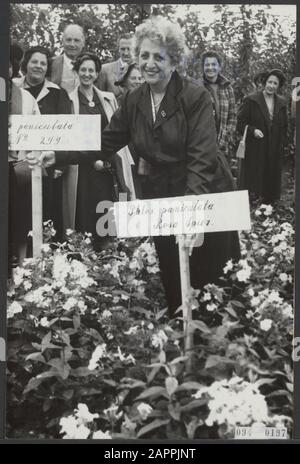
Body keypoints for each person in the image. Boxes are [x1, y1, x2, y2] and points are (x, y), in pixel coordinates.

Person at [30, 16, 240, 317]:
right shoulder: (132, 99)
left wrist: (192, 209)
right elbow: (104, 142)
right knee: (172, 269)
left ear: (174, 60)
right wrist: (58, 154)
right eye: (144, 55)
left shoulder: (195, 96)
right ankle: (180, 335)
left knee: (212, 278)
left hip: (205, 189)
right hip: (162, 190)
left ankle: (218, 346)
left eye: (159, 56)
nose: (150, 63)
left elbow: (201, 157)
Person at [50, 52, 135, 249]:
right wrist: (92, 160)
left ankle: (109, 257)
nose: (87, 74)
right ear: (77, 72)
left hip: (108, 167)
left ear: (97, 74)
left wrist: (105, 160)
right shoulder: (68, 100)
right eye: (83, 70)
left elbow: (115, 133)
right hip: (82, 170)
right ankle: (84, 256)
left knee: (108, 212)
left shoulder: (108, 98)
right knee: (84, 213)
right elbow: (69, 138)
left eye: (91, 70)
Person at [13, 46, 71, 245]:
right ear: (26, 64)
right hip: (16, 165)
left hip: (47, 166)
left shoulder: (57, 93)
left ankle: (45, 258)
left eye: (43, 63)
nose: (38, 66)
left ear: (47, 68)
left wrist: (60, 164)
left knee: (46, 212)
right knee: (18, 214)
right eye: (34, 62)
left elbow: (65, 130)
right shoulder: (14, 89)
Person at [9, 44, 40, 265]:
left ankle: (20, 268)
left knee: (20, 221)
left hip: (16, 168)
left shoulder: (26, 98)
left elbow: (37, 132)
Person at [237, 68, 288, 203]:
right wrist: (253, 131)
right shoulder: (252, 100)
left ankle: (269, 202)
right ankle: (254, 201)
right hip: (256, 147)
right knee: (256, 175)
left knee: (272, 175)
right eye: (269, 82)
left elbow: (285, 126)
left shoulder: (282, 103)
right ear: (264, 82)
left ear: (279, 86)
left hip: (274, 146)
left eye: (275, 83)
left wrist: (281, 142)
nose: (271, 86)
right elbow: (240, 124)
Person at [202, 50, 236, 159]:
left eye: (213, 64)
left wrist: (225, 137)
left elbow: (233, 115)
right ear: (203, 67)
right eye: (207, 64)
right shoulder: (197, 87)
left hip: (223, 145)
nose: (210, 67)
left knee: (222, 174)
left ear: (219, 67)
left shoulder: (227, 88)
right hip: (202, 145)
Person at [96, 33, 133, 99]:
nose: (126, 53)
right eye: (123, 49)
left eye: (129, 49)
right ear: (118, 49)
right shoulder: (105, 70)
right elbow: (99, 97)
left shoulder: (141, 70)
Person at [51, 24, 85, 93]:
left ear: (83, 43)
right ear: (62, 42)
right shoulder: (51, 63)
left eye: (76, 40)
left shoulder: (90, 65)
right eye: (68, 40)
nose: (72, 44)